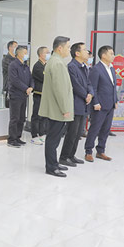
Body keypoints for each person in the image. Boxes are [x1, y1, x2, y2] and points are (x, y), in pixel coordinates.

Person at [39, 36, 74, 177]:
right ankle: (51, 167)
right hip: (57, 108)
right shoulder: (57, 63)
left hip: (55, 107)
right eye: (68, 47)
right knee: (53, 139)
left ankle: (53, 162)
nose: (69, 50)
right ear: (60, 48)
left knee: (54, 138)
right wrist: (65, 109)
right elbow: (60, 89)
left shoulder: (55, 61)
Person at [59, 42, 93, 167]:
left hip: (84, 103)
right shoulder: (71, 67)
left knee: (78, 133)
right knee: (72, 132)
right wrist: (86, 95)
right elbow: (75, 85)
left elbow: (89, 83)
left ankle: (71, 155)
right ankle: (64, 157)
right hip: (75, 103)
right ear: (77, 53)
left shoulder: (84, 67)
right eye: (84, 50)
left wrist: (91, 94)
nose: (87, 52)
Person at [85, 45, 119, 162]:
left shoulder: (112, 69)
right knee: (95, 128)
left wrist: (115, 100)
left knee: (106, 129)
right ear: (103, 55)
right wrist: (96, 102)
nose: (113, 56)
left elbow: (113, 86)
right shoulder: (96, 69)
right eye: (111, 53)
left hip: (110, 104)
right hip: (99, 105)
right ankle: (88, 151)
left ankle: (100, 151)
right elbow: (93, 88)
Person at [7, 45, 34, 148]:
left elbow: (31, 78)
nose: (26, 55)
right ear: (19, 53)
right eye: (25, 53)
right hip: (15, 95)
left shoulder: (25, 66)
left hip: (24, 95)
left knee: (22, 118)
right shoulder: (13, 65)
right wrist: (26, 88)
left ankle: (18, 137)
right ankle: (11, 139)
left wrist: (31, 87)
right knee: (15, 118)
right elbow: (14, 80)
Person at [30, 46, 49, 145]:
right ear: (41, 54)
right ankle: (34, 135)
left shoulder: (47, 65)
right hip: (38, 94)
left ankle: (42, 133)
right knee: (36, 115)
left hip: (46, 95)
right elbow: (46, 78)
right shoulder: (37, 66)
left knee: (44, 115)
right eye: (47, 52)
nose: (48, 54)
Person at [2, 40, 18, 108]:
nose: (17, 49)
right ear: (10, 48)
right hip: (9, 88)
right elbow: (14, 71)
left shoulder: (18, 59)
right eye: (15, 47)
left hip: (18, 88)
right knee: (10, 108)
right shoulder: (6, 59)